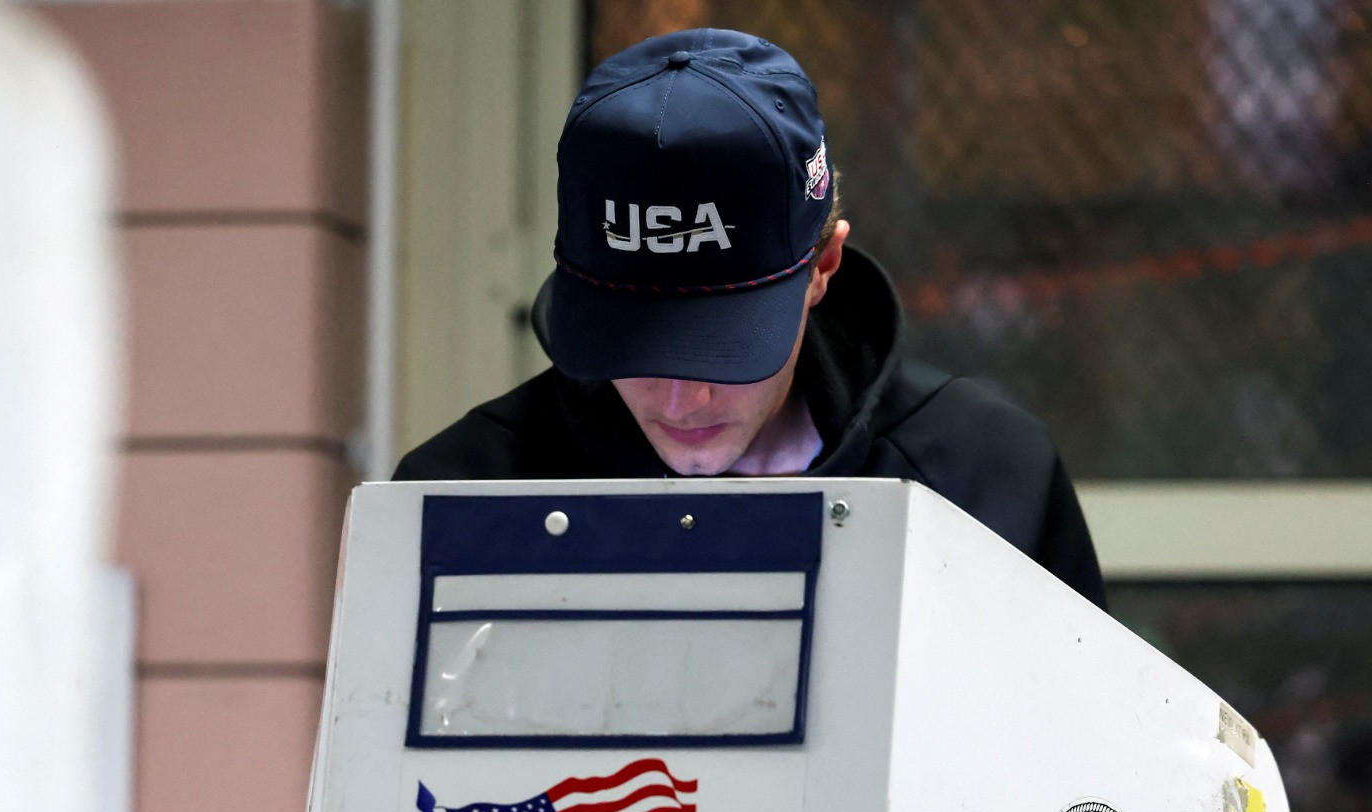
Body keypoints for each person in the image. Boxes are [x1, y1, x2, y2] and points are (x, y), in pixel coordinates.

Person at [394, 28, 1107, 609]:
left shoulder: (982, 481)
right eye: (633, 345)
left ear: (823, 267)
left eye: (722, 350)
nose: (682, 400)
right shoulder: (464, 494)